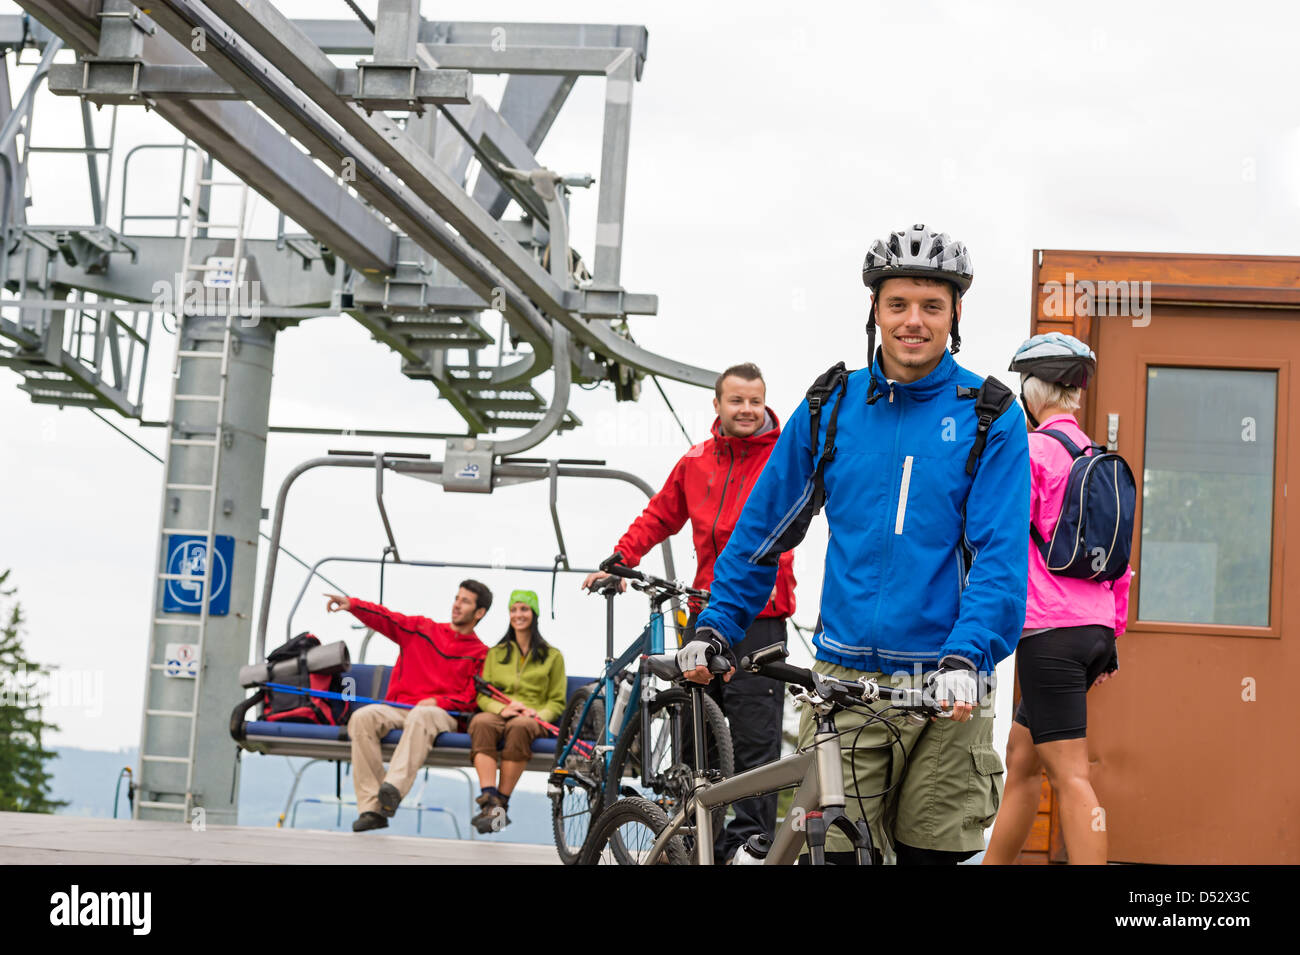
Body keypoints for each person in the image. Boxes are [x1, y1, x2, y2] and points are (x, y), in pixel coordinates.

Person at [686, 224, 1030, 864]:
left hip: (947, 683)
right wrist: (718, 626)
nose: (913, 322)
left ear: (956, 314)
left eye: (932, 306)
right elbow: (763, 533)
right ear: (874, 310)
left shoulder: (990, 414)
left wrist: (966, 657)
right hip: (846, 683)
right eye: (898, 304)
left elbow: (1000, 560)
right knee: (835, 854)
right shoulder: (830, 406)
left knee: (932, 856)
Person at [582, 362, 797, 862]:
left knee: (754, 742)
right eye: (736, 400)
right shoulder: (697, 460)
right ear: (718, 405)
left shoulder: (785, 458)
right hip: (702, 613)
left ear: (765, 404)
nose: (746, 410)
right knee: (692, 736)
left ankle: (745, 848)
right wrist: (621, 560)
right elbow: (660, 514)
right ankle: (685, 842)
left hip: (761, 615)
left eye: (755, 401)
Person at [982, 333, 1131, 865]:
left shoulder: (1033, 453)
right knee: (1022, 758)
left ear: (1031, 390)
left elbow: (996, 531)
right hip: (1091, 632)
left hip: (1050, 633)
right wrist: (1111, 635)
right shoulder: (1097, 458)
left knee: (1071, 775)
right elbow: (1122, 561)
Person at [324, 581, 491, 832]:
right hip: (400, 708)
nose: (456, 605)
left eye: (465, 601)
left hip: (443, 716)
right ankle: (372, 809)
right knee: (363, 718)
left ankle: (393, 788)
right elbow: (388, 619)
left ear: (479, 613)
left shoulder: (481, 654)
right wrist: (353, 606)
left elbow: (471, 699)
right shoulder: (422, 629)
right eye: (457, 598)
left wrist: (438, 701)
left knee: (423, 715)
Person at [468, 589, 567, 834]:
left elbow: (557, 701)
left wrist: (538, 714)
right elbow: (483, 695)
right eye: (513, 609)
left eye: (523, 609)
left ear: (534, 613)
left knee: (520, 727)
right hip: (502, 713)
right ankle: (491, 801)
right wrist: (503, 709)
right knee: (481, 723)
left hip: (531, 720)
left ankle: (498, 804)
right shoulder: (496, 653)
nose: (518, 614)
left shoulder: (553, 657)